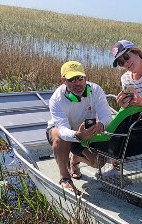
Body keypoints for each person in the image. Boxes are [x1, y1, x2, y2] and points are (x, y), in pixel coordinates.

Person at [46, 61, 113, 193]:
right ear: (64, 80)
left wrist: (101, 125)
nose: (77, 83)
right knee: (59, 137)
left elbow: (107, 116)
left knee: (98, 163)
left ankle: (74, 159)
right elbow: (63, 129)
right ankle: (65, 177)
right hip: (67, 134)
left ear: (85, 78)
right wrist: (78, 135)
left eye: (80, 78)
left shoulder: (96, 90)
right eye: (72, 79)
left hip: (87, 133)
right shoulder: (56, 99)